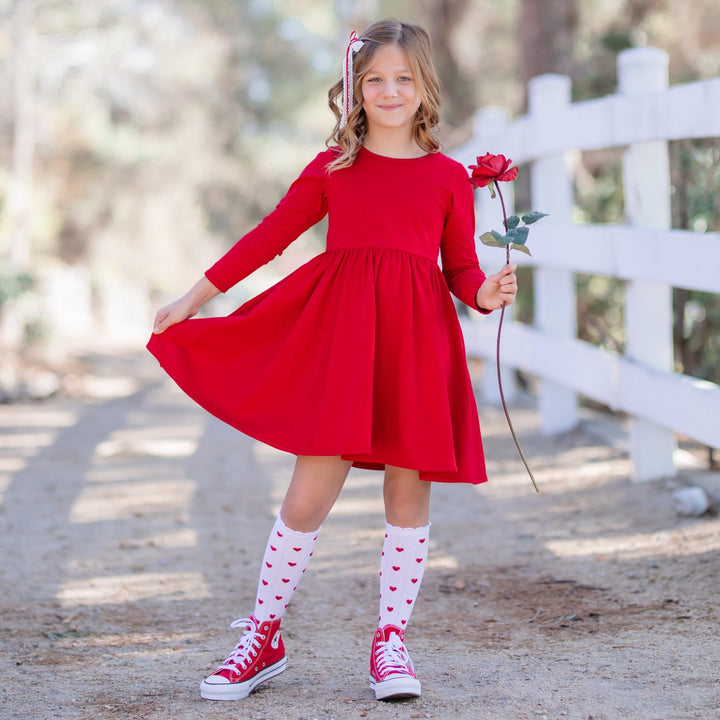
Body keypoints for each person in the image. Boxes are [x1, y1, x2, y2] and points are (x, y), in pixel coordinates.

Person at [148, 18, 517, 703]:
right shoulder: (334, 168)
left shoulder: (446, 178)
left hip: (416, 342)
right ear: (355, 87)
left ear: (425, 84)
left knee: (408, 485)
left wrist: (485, 295)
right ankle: (264, 632)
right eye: (375, 79)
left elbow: (460, 269)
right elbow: (269, 237)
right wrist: (194, 298)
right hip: (344, 343)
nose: (389, 90)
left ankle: (391, 641)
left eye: (404, 78)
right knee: (310, 486)